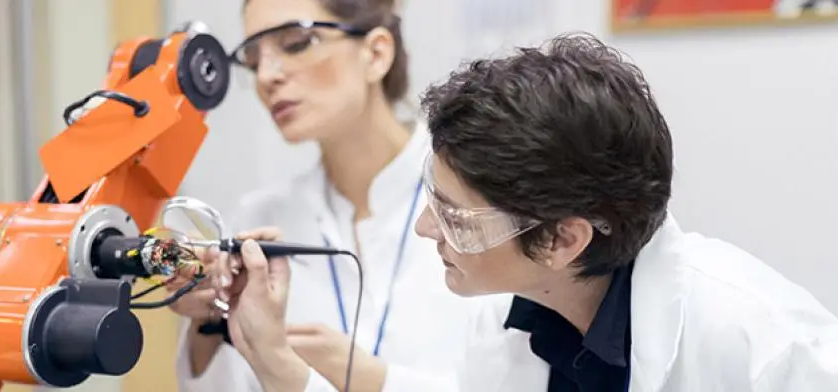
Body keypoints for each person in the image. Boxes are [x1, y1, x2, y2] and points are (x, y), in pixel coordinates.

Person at [218, 33, 838, 391]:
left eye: (455, 216)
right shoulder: (520, 320)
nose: (424, 227)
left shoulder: (762, 345)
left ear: (564, 239)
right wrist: (278, 361)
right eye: (431, 197)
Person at [166, 0, 472, 391]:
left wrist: (371, 381)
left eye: (296, 43)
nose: (266, 77)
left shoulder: (480, 197)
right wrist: (209, 322)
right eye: (253, 59)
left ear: (376, 54)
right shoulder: (257, 221)